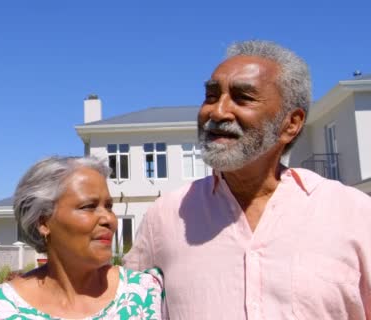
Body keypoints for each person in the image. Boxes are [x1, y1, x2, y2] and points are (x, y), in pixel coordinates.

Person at [124, 40, 371, 319]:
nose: (217, 112)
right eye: (211, 95)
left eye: (243, 98)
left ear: (291, 124)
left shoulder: (354, 214)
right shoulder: (165, 217)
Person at [0, 156, 165, 319]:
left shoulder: (145, 295)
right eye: (88, 206)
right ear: (43, 222)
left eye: (109, 206)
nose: (109, 219)